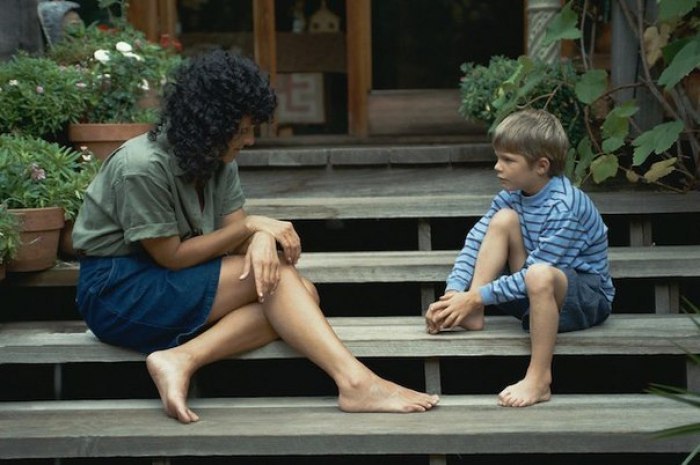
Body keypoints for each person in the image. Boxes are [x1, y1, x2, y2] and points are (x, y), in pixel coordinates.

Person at [72, 50, 439, 423]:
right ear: (210, 124)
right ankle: (356, 382)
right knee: (281, 282)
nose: (249, 141)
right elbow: (173, 256)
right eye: (242, 131)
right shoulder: (141, 166)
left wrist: (260, 238)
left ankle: (181, 358)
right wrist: (253, 227)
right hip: (116, 292)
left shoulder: (217, 159)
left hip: (169, 281)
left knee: (300, 295)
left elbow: (237, 234)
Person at [425, 109, 614, 408]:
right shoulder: (510, 197)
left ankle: (539, 378)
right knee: (502, 220)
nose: (497, 167)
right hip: (532, 289)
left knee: (538, 274)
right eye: (498, 158)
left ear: (541, 166)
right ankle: (473, 314)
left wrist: (474, 297)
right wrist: (455, 296)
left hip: (586, 299)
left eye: (508, 160)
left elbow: (537, 274)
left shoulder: (565, 206)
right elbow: (475, 243)